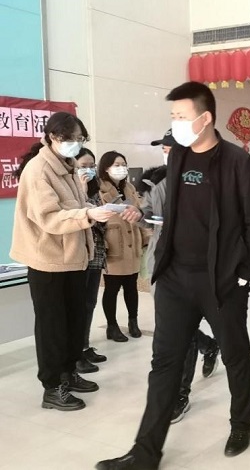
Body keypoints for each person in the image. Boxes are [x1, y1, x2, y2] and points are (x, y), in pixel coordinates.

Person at [96, 82, 250, 469]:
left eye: (181, 116)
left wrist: (242, 275)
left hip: (221, 281)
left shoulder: (239, 163)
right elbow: (173, 210)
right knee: (164, 363)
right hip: (175, 278)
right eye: (172, 116)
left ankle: (242, 424)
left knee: (236, 355)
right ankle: (145, 453)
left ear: (205, 118)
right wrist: (147, 222)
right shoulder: (178, 156)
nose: (175, 123)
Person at [10, 112, 134, 411]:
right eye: (73, 139)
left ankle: (68, 373)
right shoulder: (39, 170)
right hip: (48, 261)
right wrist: (88, 214)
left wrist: (97, 209)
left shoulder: (67, 167)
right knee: (53, 327)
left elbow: (76, 206)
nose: (77, 144)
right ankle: (52, 387)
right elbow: (49, 218)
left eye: (81, 139)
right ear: (54, 137)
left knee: (74, 321)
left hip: (74, 258)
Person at [138, 130, 220, 425]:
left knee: (182, 329)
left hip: (197, 268)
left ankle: (180, 394)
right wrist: (139, 215)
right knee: (172, 330)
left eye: (172, 150)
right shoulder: (157, 182)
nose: (167, 155)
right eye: (164, 150)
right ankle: (207, 347)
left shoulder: (209, 180)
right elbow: (147, 215)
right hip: (163, 265)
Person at [98, 151, 149, 341]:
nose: (121, 168)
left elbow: (140, 213)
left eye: (123, 164)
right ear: (106, 168)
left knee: (131, 286)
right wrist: (102, 244)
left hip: (132, 242)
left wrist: (144, 237)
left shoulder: (129, 188)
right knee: (112, 288)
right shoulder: (99, 189)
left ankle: (133, 322)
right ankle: (112, 326)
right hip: (114, 243)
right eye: (117, 165)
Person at [75, 147, 108, 373]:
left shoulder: (96, 188)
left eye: (91, 166)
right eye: (83, 166)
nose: (88, 170)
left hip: (96, 253)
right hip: (79, 254)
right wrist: (83, 192)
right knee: (78, 305)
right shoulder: (72, 190)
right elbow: (77, 216)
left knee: (89, 303)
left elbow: (99, 220)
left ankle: (84, 346)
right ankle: (75, 353)